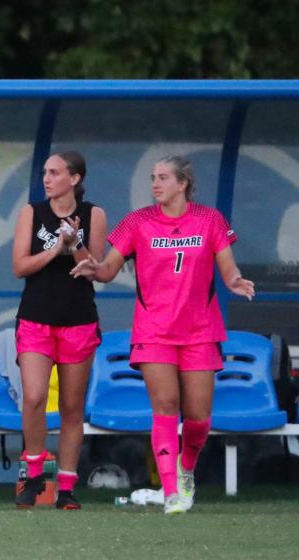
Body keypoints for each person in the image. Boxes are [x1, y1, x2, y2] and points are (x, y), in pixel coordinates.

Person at [72, 155, 255, 514]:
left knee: (200, 417)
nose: (155, 184)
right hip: (153, 331)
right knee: (166, 405)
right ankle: (171, 490)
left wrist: (234, 280)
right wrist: (92, 265)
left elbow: (228, 267)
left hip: (201, 331)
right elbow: (108, 270)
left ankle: (186, 471)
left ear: (182, 184)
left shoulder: (209, 219)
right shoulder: (138, 221)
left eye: (163, 178)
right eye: (153, 178)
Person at [12, 151, 107, 510]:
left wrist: (76, 244)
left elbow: (95, 267)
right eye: (45, 173)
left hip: (79, 319)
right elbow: (20, 266)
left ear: (75, 178)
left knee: (71, 407)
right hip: (36, 317)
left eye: (55, 173)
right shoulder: (31, 212)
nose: (47, 179)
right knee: (34, 396)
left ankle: (66, 486)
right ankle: (34, 473)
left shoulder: (93, 214)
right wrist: (55, 249)